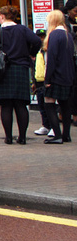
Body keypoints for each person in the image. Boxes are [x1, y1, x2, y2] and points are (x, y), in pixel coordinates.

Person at [0, 5, 41, 145]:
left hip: (2, 71)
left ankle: (8, 137)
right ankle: (22, 137)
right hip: (20, 69)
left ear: (2, 16)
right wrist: (31, 54)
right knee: (21, 105)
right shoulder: (22, 30)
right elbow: (37, 41)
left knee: (6, 106)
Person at [41, 9, 75, 144]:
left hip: (56, 75)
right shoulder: (68, 35)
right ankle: (66, 135)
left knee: (49, 103)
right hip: (68, 75)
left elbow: (52, 58)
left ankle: (57, 134)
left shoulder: (54, 35)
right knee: (65, 105)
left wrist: (47, 79)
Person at [32, 29, 53, 136]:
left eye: (43, 37)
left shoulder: (48, 51)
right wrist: (34, 82)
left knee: (49, 105)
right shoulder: (36, 52)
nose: (41, 39)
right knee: (41, 105)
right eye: (39, 37)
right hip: (39, 81)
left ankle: (53, 126)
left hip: (47, 81)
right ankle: (46, 125)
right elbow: (34, 68)